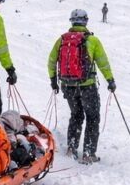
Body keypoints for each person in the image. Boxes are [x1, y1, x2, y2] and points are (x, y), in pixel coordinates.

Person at [48, 9, 115, 163]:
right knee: (92, 117)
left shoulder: (62, 40)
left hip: (68, 85)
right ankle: (88, 153)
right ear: (85, 21)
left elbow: (51, 61)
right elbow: (102, 62)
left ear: (72, 21)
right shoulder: (92, 40)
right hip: (87, 86)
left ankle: (71, 149)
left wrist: (53, 80)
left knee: (76, 115)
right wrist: (110, 80)